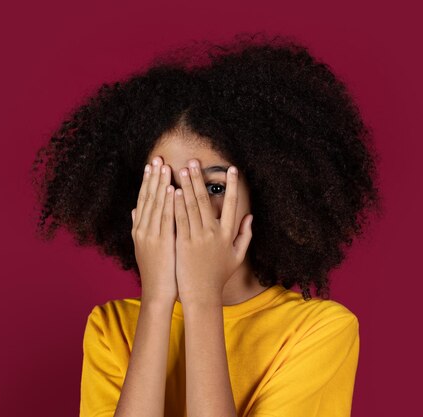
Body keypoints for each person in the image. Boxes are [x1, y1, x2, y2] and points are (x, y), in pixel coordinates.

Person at [31, 32, 383, 417]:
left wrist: (202, 298)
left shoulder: (319, 331)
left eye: (214, 186)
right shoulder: (111, 329)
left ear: (266, 192)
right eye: (166, 186)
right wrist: (157, 301)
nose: (186, 206)